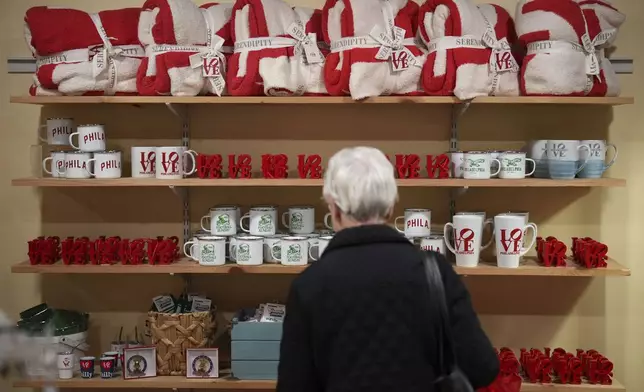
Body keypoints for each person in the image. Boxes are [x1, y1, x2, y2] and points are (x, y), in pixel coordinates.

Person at [276, 146, 499, 392]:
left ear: (334, 208)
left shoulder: (309, 286)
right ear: (391, 206)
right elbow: (483, 367)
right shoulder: (435, 272)